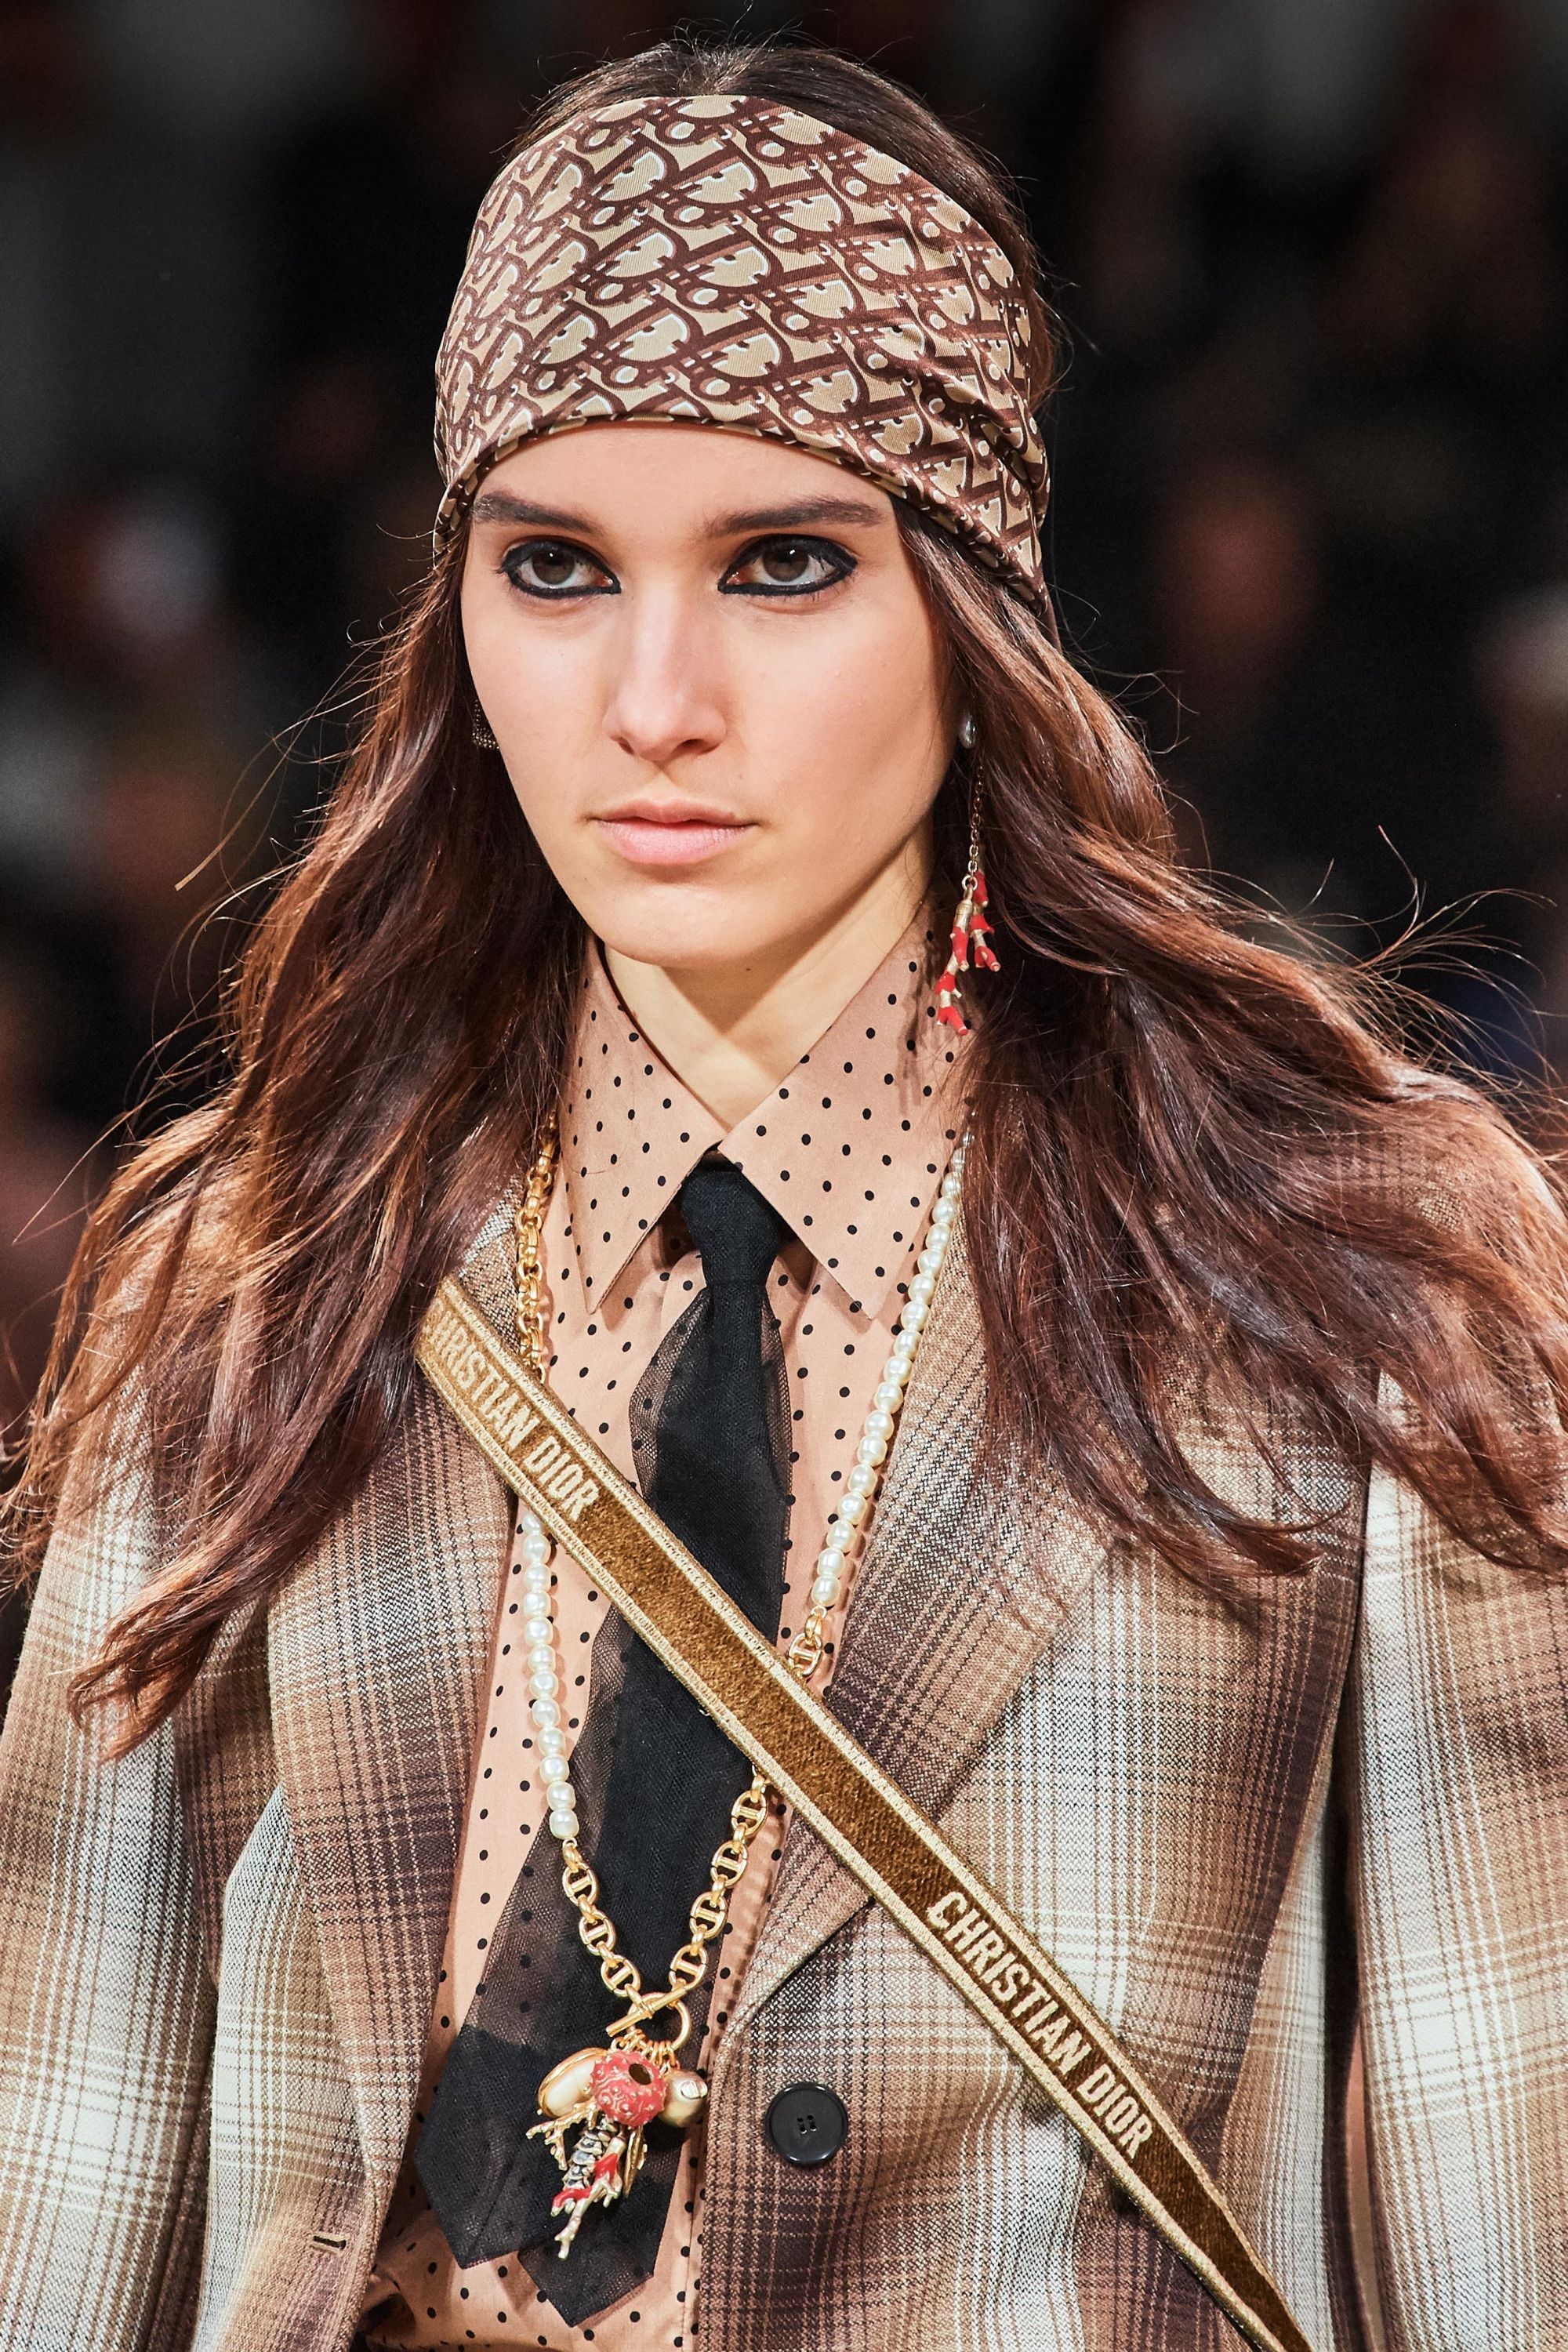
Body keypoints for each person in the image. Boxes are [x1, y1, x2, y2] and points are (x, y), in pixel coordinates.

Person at [2, 38, 1566, 2352]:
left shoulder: (1339, 1295)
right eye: (555, 567)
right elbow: (68, 2206)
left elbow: (1498, 2239)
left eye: (785, 565)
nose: (655, 699)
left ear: (974, 607)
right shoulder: (256, 1294)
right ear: (457, 619)